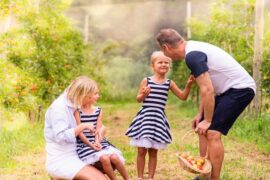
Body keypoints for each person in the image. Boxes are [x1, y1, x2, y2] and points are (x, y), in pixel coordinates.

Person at [156, 28, 256, 180]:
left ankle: (213, 178)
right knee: (201, 127)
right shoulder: (193, 49)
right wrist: (200, 115)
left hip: (240, 89)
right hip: (226, 91)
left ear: (166, 48)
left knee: (212, 132)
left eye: (164, 52)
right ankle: (205, 174)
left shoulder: (193, 55)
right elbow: (208, 86)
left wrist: (208, 120)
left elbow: (207, 90)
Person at [126, 51, 194, 180]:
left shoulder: (169, 83)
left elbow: (183, 97)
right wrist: (144, 94)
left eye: (166, 63)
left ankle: (151, 177)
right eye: (160, 62)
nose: (164, 64)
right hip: (145, 117)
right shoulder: (147, 80)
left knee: (153, 151)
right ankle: (140, 177)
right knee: (141, 150)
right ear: (153, 65)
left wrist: (188, 86)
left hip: (158, 119)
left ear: (169, 66)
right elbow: (138, 99)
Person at [44, 76, 107, 180]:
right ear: (82, 95)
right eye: (89, 98)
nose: (91, 100)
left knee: (110, 163)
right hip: (61, 159)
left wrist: (101, 129)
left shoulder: (73, 102)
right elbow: (60, 137)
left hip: (76, 154)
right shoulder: (59, 108)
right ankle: (59, 176)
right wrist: (82, 126)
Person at [74, 79, 130, 180]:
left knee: (114, 157)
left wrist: (97, 142)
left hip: (98, 141)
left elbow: (99, 129)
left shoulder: (98, 110)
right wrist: (91, 145)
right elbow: (80, 132)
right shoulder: (78, 111)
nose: (98, 96)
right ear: (86, 95)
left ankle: (127, 178)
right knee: (104, 158)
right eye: (95, 94)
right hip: (85, 144)